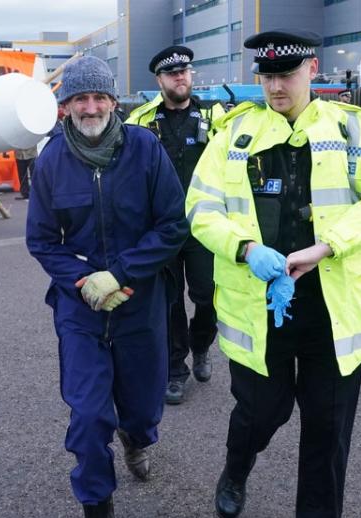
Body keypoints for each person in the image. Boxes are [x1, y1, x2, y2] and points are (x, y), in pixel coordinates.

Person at [186, 29, 361, 518]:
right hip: (261, 310)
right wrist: (242, 249)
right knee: (261, 414)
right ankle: (238, 466)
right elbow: (201, 207)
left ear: (312, 69)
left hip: (332, 313)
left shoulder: (355, 129)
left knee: (329, 434)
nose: (277, 85)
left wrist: (328, 246)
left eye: (287, 74)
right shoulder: (234, 131)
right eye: (268, 76)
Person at [25, 56, 188, 518]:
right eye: (79, 99)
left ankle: (137, 438)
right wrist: (82, 281)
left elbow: (171, 225)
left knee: (141, 407)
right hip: (80, 311)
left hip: (139, 303)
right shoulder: (50, 162)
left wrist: (118, 275)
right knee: (88, 416)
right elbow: (42, 241)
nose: (90, 107)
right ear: (65, 106)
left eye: (98, 98)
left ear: (113, 101)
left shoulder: (145, 149)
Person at [126, 45, 225, 405]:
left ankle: (201, 346)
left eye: (184, 71)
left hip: (205, 227)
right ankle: (175, 371)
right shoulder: (138, 120)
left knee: (208, 297)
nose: (179, 77)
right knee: (168, 304)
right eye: (171, 73)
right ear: (160, 80)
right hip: (161, 229)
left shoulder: (217, 117)